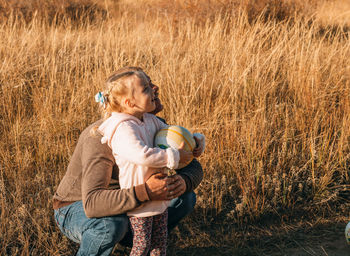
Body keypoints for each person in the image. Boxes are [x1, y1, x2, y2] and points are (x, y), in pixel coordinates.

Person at [53, 67, 204, 256]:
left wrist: (183, 181)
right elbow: (92, 204)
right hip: (77, 207)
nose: (155, 88)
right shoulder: (103, 135)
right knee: (111, 224)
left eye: (151, 83)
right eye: (146, 86)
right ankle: (128, 239)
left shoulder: (149, 123)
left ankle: (144, 241)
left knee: (185, 197)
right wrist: (148, 191)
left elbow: (191, 164)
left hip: (128, 201)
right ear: (129, 102)